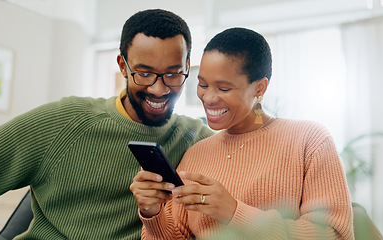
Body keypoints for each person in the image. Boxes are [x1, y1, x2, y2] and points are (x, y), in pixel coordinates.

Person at [0, 9, 213, 239]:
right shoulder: (66, 120)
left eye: (172, 74)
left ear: (187, 67)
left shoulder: (196, 138)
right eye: (144, 74)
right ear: (123, 66)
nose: (159, 89)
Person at [130, 27, 354, 239]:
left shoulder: (309, 141)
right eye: (202, 84)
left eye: (224, 88)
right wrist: (152, 213)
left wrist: (234, 212)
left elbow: (335, 235)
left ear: (260, 88)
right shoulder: (197, 153)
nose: (208, 98)